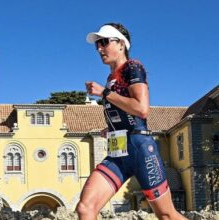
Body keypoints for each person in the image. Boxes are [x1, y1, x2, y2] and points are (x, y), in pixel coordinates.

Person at [76, 23, 186, 220]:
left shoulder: (133, 67)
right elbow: (126, 113)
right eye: (97, 45)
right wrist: (110, 128)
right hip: (118, 153)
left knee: (167, 215)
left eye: (104, 42)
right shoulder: (111, 77)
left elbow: (141, 109)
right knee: (86, 208)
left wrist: (104, 93)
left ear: (121, 44)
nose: (99, 48)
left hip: (140, 150)